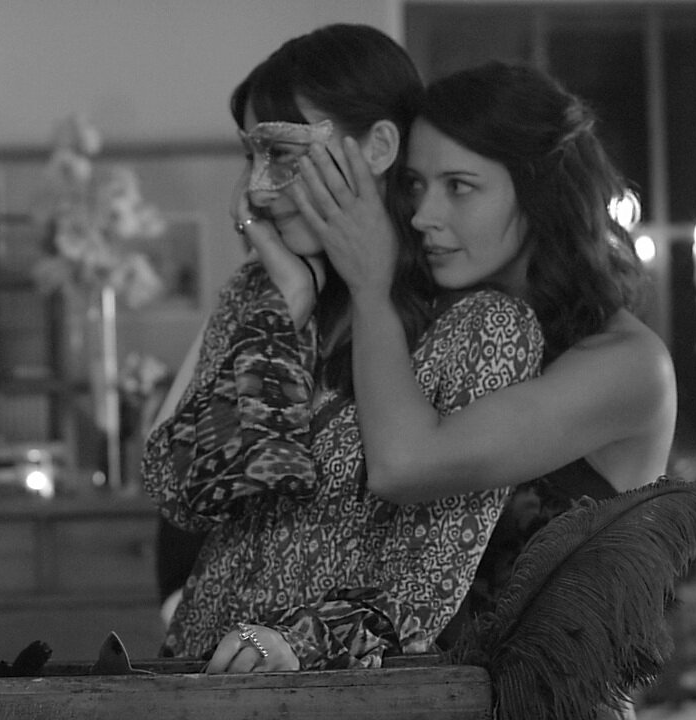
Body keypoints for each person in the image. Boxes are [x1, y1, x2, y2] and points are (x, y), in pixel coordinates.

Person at [139, 25, 544, 673]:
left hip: (339, 690)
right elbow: (182, 494)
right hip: (199, 671)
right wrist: (285, 311)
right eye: (250, 156)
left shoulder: (482, 326)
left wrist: (291, 644)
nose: (259, 187)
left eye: (282, 153)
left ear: (379, 146)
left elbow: (429, 581)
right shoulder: (260, 293)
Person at [292, 60, 677, 628]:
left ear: (541, 191)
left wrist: (370, 287)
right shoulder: (434, 328)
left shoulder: (627, 363)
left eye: (459, 187)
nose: (423, 216)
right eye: (416, 186)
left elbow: (402, 466)